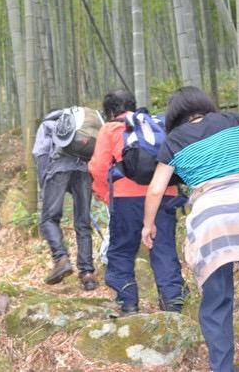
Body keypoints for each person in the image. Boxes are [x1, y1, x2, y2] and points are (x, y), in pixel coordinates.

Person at [142, 86, 239, 371]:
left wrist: (148, 226)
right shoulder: (229, 120)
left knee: (217, 299)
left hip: (209, 218)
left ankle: (222, 367)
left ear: (174, 115)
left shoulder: (172, 141)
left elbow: (155, 191)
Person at [89, 89, 188, 314]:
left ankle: (128, 303)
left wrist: (106, 195)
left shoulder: (111, 128)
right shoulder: (157, 125)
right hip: (165, 193)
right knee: (163, 248)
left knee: (122, 249)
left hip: (127, 199)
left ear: (110, 111)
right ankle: (173, 303)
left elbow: (98, 167)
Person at [32, 109, 98, 290]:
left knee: (48, 219)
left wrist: (45, 184)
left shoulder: (47, 124)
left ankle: (61, 259)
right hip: (84, 171)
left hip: (58, 169)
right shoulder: (78, 125)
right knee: (83, 223)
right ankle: (87, 274)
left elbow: (41, 153)